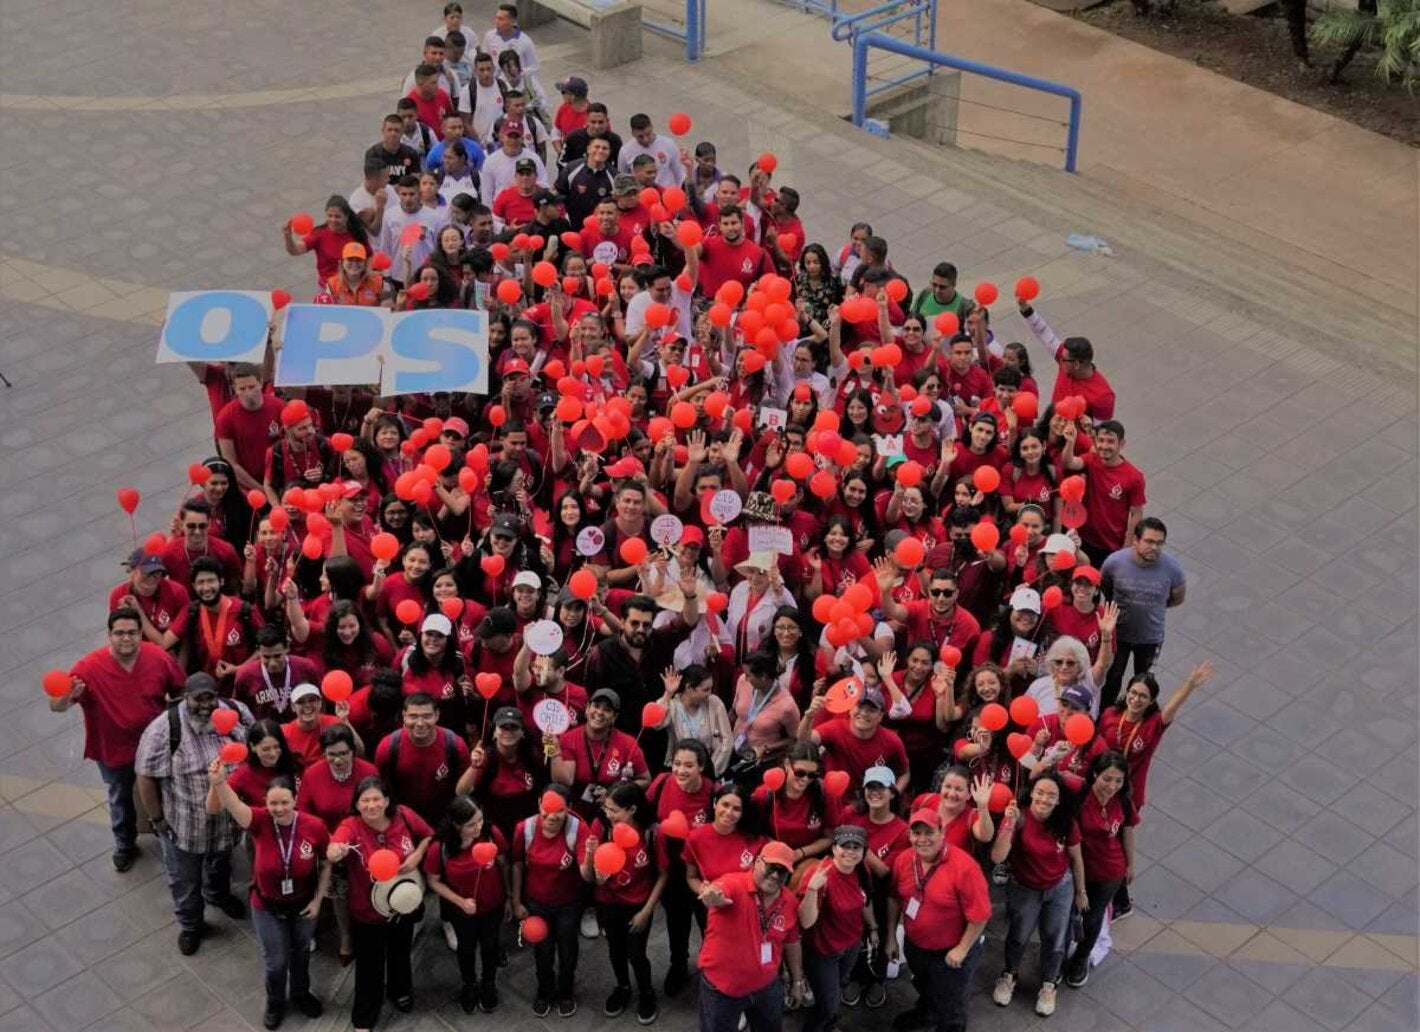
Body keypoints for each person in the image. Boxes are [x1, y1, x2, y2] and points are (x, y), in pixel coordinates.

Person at [52, 608, 185, 870]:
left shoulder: (158, 657)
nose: (126, 638)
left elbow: (180, 690)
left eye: (132, 633)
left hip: (156, 747)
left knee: (165, 792)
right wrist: (69, 696)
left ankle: (168, 835)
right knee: (120, 799)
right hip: (112, 750)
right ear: (109, 635)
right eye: (120, 633)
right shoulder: (88, 668)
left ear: (140, 634)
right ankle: (125, 844)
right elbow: (56, 706)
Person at [134, 673, 255, 954]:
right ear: (184, 698)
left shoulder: (236, 713)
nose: (205, 705)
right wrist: (157, 819)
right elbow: (146, 776)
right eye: (198, 699)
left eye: (210, 697)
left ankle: (218, 895)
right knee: (185, 882)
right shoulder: (164, 729)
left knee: (220, 865)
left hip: (226, 825)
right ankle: (191, 925)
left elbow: (254, 744)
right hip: (185, 828)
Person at [208, 763, 330, 1029]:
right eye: (273, 803)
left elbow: (326, 863)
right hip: (266, 906)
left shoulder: (314, 826)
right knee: (276, 962)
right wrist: (219, 782)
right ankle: (275, 1002)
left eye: (285, 802)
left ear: (295, 800)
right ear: (265, 802)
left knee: (301, 954)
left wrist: (319, 900)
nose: (279, 809)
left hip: (304, 906)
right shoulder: (260, 821)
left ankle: (300, 993)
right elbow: (234, 805)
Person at [327, 776, 433, 1032]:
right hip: (367, 912)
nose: (372, 805)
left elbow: (429, 835)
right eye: (365, 800)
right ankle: (365, 1014)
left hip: (404, 905)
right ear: (357, 804)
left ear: (387, 801)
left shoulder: (404, 815)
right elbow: (334, 847)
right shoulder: (351, 827)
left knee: (401, 952)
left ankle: (400, 991)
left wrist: (417, 855)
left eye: (377, 799)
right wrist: (335, 851)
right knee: (369, 965)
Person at [883, 807, 991, 1032]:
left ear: (942, 833)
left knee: (952, 1005)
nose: (922, 839)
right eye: (916, 833)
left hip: (951, 952)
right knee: (924, 986)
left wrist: (962, 949)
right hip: (916, 946)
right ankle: (927, 1014)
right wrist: (891, 936)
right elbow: (894, 898)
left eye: (929, 832)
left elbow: (981, 915)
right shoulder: (904, 860)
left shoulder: (965, 867)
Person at [988, 774, 1085, 1018]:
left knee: (1055, 939)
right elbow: (997, 857)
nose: (1044, 799)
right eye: (1040, 792)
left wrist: (1080, 891)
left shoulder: (1066, 822)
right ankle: (1009, 975)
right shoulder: (1018, 817)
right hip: (1025, 888)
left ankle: (1049, 984)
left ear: (1059, 800)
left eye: (1051, 795)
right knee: (1018, 936)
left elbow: (1076, 858)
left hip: (1060, 886)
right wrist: (1008, 824)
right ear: (1031, 793)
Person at [696, 840, 806, 1031]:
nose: (775, 875)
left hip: (767, 986)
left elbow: (792, 942)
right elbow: (718, 890)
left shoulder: (789, 902)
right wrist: (711, 895)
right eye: (771, 867)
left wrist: (797, 981)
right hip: (723, 989)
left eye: (782, 871)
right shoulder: (733, 883)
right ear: (757, 862)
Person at [585, 782, 665, 1023]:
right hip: (608, 903)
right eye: (606, 808)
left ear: (632, 809)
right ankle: (622, 987)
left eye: (614, 810)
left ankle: (646, 992)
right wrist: (597, 874)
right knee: (615, 950)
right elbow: (590, 876)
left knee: (636, 954)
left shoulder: (651, 833)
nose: (608, 814)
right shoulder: (600, 826)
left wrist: (646, 911)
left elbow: (663, 874)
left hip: (639, 905)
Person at [511, 785, 593, 1018]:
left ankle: (566, 992)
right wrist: (516, 901)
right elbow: (517, 864)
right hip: (536, 903)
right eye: (547, 809)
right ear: (539, 804)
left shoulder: (579, 829)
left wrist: (590, 855)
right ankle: (545, 991)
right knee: (542, 951)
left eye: (559, 810)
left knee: (568, 950)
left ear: (569, 808)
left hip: (569, 903)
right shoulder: (525, 828)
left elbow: (587, 876)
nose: (552, 816)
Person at [426, 794, 509, 1014]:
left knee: (490, 946)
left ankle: (489, 983)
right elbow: (433, 881)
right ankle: (469, 984)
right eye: (472, 824)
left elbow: (503, 865)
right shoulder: (440, 847)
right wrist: (460, 901)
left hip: (493, 905)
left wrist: (510, 897)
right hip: (462, 911)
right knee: (466, 948)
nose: (478, 827)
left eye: (480, 820)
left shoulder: (491, 834)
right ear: (456, 824)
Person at [1064, 751, 1137, 988]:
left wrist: (1130, 864)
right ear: (1095, 774)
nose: (1112, 786)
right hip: (1078, 867)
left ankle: (1081, 959)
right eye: (1107, 778)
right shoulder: (1080, 795)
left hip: (1109, 872)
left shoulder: (1122, 801)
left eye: (1118, 781)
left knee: (1092, 918)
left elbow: (1127, 831)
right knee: (1067, 913)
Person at [1099, 517, 1186, 708]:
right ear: (1135, 540)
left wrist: (1154, 606)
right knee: (1112, 677)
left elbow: (1177, 597)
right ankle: (1105, 715)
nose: (1154, 547)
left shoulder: (1172, 568)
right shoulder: (1114, 562)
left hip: (1150, 638)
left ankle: (1136, 716)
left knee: (1144, 683)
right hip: (1118, 635)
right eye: (1149, 541)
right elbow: (1105, 587)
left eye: (1159, 543)